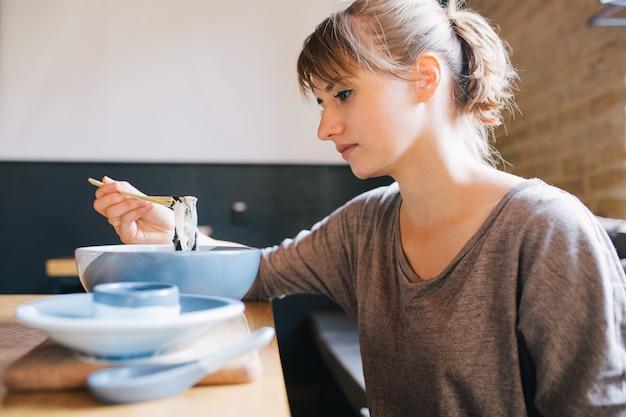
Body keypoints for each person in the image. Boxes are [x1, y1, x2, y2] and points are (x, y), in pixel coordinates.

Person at [93, 0, 626, 415]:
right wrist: (174, 235)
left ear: (426, 78)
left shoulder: (548, 231)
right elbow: (259, 271)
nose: (324, 127)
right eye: (321, 103)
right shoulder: (366, 223)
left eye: (342, 94)